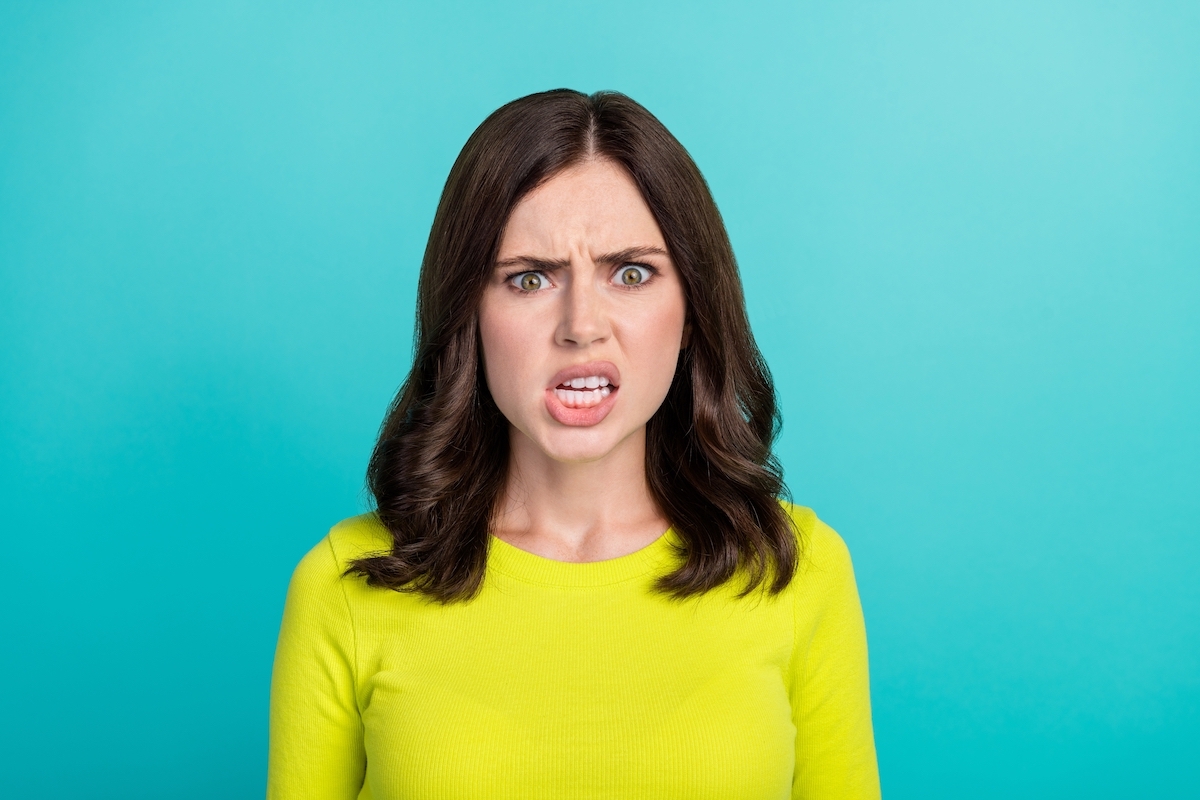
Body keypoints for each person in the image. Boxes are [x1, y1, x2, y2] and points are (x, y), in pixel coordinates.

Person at [267, 88, 880, 800]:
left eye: (631, 272)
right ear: (469, 312)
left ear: (691, 310)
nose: (581, 325)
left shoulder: (798, 572)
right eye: (529, 279)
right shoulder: (348, 583)